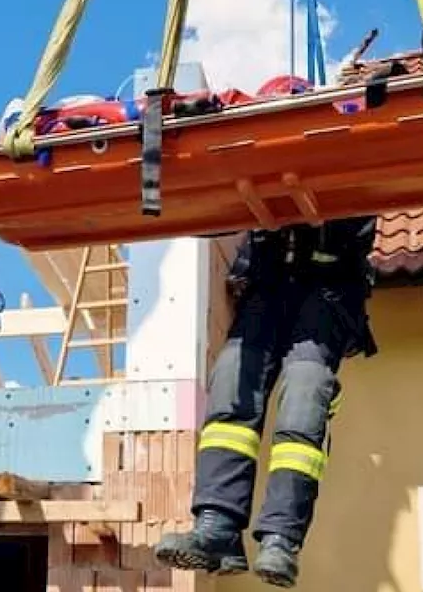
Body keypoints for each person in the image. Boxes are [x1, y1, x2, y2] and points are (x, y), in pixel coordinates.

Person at [154, 216, 379, 588]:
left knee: (306, 390)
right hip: (269, 276)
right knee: (231, 379)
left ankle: (280, 538)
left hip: (331, 282)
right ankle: (217, 526)